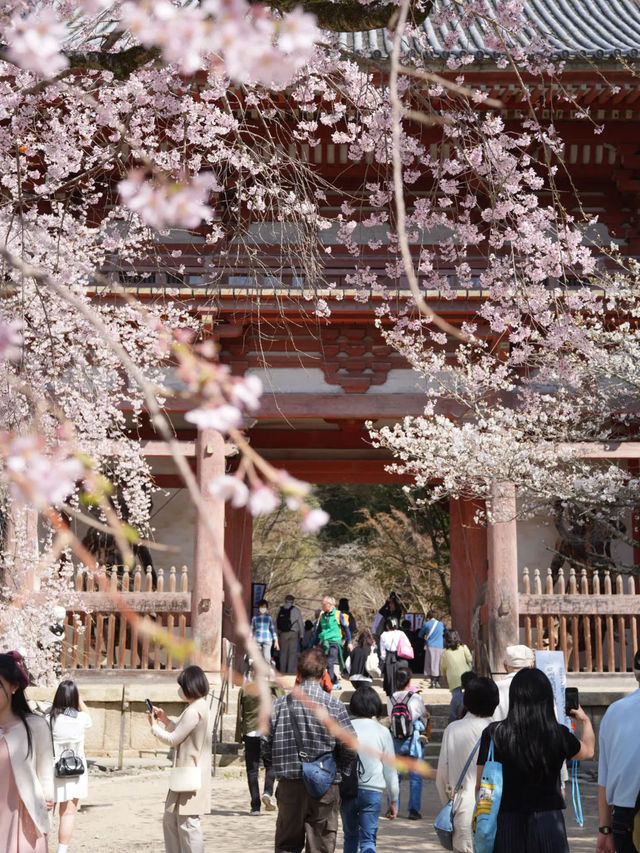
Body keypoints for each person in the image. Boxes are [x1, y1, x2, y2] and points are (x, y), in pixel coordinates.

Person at [476, 667, 595, 853]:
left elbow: (480, 785)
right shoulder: (558, 733)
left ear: (515, 697)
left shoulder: (494, 733)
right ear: (547, 698)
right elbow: (588, 750)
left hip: (507, 821)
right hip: (549, 822)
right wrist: (585, 721)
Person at [262, 647, 356, 853]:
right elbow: (350, 745)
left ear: (297, 672)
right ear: (324, 674)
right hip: (325, 785)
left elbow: (265, 745)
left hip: (289, 786)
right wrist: (338, 770)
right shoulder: (333, 705)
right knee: (321, 846)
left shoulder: (278, 706)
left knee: (287, 845)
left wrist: (277, 766)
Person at [149, 665, 213, 853]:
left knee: (187, 823)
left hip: (189, 773)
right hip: (187, 772)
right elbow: (180, 730)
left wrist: (154, 728)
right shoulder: (199, 706)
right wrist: (166, 721)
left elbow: (174, 739)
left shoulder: (194, 710)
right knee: (173, 819)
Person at [436, 677, 499, 853]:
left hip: (462, 809)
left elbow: (442, 776)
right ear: (495, 701)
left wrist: (450, 803)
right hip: (494, 811)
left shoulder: (452, 730)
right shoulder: (499, 730)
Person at [0, 651, 54, 853]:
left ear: (14, 687)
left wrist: (48, 798)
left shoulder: (35, 726)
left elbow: (46, 772)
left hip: (23, 820)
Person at [341, 686, 399, 853]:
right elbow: (390, 769)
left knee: (350, 836)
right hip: (372, 791)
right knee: (368, 840)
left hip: (347, 790)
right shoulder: (382, 731)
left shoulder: (345, 728)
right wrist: (393, 798)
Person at [596, 648, 640, 853]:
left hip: (626, 814)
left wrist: (605, 829)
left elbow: (604, 776)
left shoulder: (615, 711)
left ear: (635, 674)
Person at [49, 679, 93, 853]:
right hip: (75, 771)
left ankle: (41, 846)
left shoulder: (49, 718)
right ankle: (62, 850)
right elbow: (88, 717)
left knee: (46, 812)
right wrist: (79, 700)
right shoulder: (81, 718)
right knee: (68, 812)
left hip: (52, 770)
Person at [235, 665, 285, 815]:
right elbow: (281, 702)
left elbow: (240, 713)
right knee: (271, 765)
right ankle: (268, 792)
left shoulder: (244, 689)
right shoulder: (273, 687)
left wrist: (239, 735)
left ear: (251, 673)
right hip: (267, 730)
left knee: (252, 770)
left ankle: (255, 806)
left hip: (250, 731)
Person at [386, 667, 429, 820]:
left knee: (395, 776)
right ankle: (413, 810)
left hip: (396, 740)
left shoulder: (390, 698)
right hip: (414, 741)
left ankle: (392, 807)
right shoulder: (415, 698)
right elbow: (422, 716)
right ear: (409, 680)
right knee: (415, 776)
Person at [314, 595, 353, 690]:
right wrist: (314, 643)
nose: (322, 606)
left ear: (330, 605)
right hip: (323, 642)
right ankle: (334, 681)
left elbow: (346, 628)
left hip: (334, 642)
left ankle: (332, 682)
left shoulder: (338, 615)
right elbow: (318, 630)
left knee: (330, 661)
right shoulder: (322, 616)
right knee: (322, 663)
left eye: (323, 604)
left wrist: (350, 642)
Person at [492, 644, 535, 721]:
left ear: (505, 666)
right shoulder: (540, 686)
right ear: (531, 665)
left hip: (500, 732)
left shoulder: (494, 688)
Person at [440, 630, 473, 723]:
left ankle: (458, 716)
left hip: (453, 678)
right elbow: (469, 658)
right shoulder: (463, 647)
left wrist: (444, 675)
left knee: (456, 698)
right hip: (466, 676)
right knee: (469, 694)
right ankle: (469, 714)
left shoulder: (445, 652)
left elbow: (443, 666)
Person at [379, 618, 408, 697]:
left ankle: (391, 696)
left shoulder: (383, 635)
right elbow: (407, 644)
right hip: (400, 657)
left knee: (390, 679)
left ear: (387, 626)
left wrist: (383, 659)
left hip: (389, 657)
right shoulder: (401, 633)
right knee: (400, 677)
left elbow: (382, 651)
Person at [276, 595, 304, 675]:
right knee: (292, 653)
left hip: (282, 634)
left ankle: (282, 671)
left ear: (285, 600)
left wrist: (277, 634)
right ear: (293, 601)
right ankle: (290, 671)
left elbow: (276, 622)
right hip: (293, 634)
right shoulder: (296, 610)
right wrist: (302, 634)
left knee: (283, 653)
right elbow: (301, 623)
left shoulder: (280, 610)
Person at [419, 609, 445, 688]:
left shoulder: (426, 624)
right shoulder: (441, 624)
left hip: (430, 646)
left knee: (430, 663)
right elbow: (446, 632)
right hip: (440, 646)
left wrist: (425, 636)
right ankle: (437, 681)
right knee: (439, 663)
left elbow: (420, 635)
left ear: (429, 616)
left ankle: (432, 682)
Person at [251, 599, 279, 665]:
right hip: (257, 640)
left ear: (266, 608)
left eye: (264, 607)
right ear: (259, 608)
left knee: (266, 657)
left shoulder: (269, 618)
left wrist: (276, 640)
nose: (263, 608)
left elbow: (272, 630)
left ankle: (267, 672)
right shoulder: (255, 618)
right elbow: (251, 629)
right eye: (261, 607)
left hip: (267, 640)